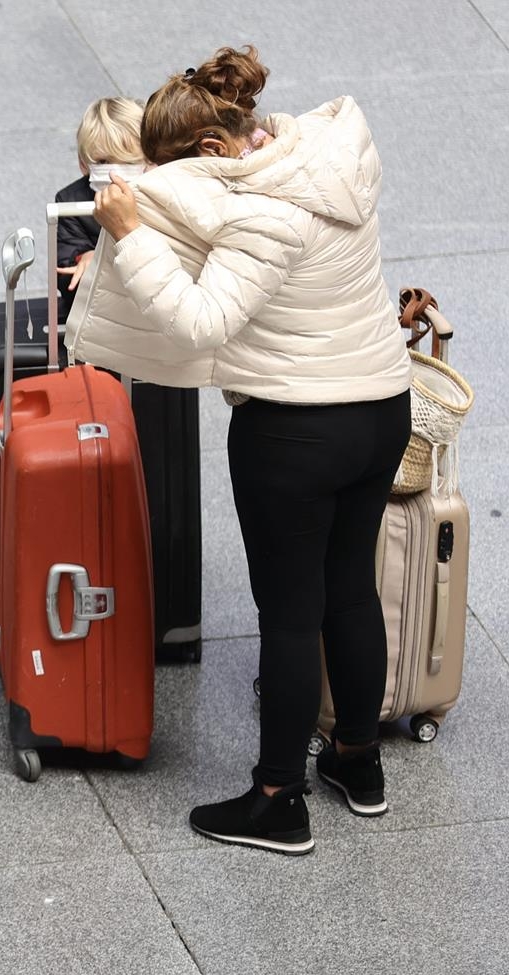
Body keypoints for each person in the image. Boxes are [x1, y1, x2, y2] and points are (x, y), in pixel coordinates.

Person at [65, 47, 412, 856]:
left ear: (215, 152)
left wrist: (130, 235)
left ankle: (276, 800)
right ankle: (358, 765)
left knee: (290, 617)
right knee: (350, 590)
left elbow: (199, 322)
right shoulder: (322, 163)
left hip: (295, 430)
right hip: (380, 408)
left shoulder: (262, 211)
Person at [54, 96, 147, 316]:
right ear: (83, 164)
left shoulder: (160, 193)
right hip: (99, 312)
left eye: (129, 161)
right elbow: (66, 275)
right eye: (104, 162)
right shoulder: (70, 202)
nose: (116, 172)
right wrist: (86, 257)